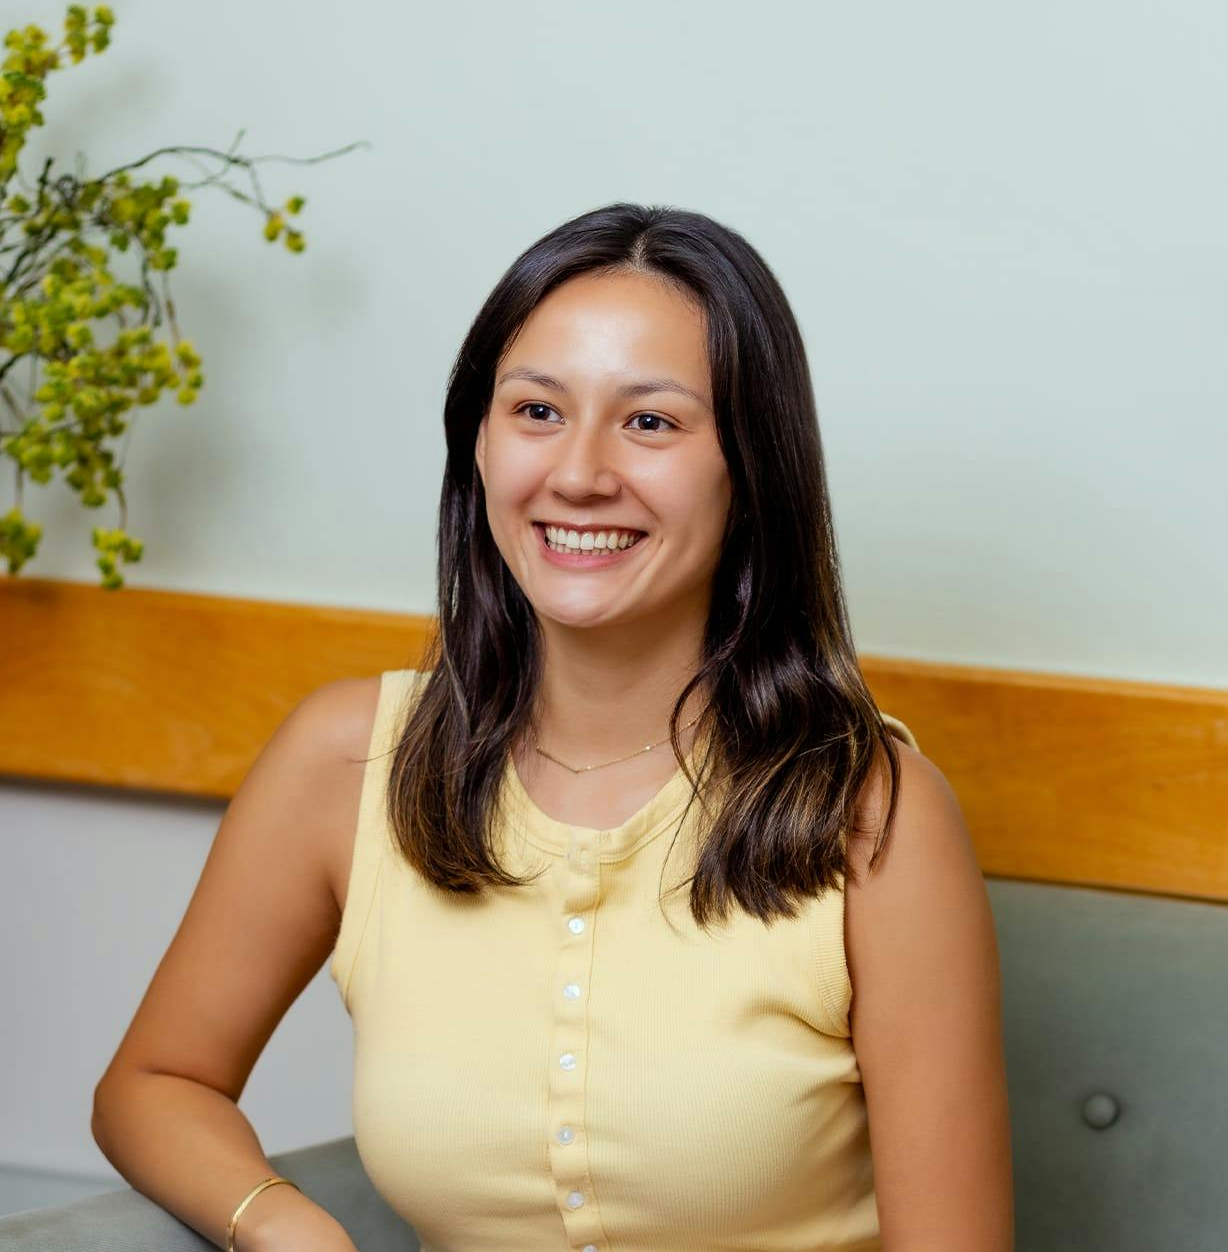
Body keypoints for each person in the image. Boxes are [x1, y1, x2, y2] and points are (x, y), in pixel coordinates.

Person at [91, 203, 1014, 1251]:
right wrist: (284, 1229)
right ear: (478, 445)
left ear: (752, 468)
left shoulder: (874, 812)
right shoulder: (347, 760)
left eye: (650, 423)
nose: (577, 474)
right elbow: (154, 1082)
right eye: (536, 411)